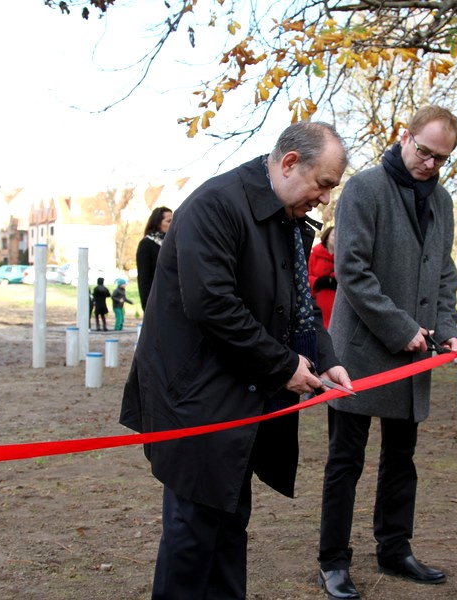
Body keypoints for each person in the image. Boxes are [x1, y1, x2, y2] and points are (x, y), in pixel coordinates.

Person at [119, 121, 351, 600]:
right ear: (290, 163)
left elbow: (296, 299)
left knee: (227, 528)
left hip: (237, 400)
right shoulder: (217, 205)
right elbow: (213, 305)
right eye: (323, 184)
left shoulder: (284, 217)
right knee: (191, 538)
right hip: (195, 400)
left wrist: (321, 357)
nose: (325, 199)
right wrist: (284, 366)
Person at [317, 106, 457, 600]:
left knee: (403, 460)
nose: (431, 164)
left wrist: (446, 331)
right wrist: (402, 330)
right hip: (360, 353)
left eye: (442, 158)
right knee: (345, 462)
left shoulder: (441, 201)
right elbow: (353, 271)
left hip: (416, 354)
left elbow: (444, 273)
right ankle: (333, 561)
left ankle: (395, 549)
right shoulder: (364, 187)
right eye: (425, 152)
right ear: (405, 137)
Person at [136, 205, 173, 311]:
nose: (173, 224)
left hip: (175, 300)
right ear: (158, 223)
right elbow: (144, 278)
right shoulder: (146, 244)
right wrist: (147, 307)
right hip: (157, 301)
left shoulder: (173, 244)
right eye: (169, 221)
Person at [308, 225, 337, 328]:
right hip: (317, 303)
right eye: (334, 235)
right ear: (327, 236)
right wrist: (320, 281)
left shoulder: (343, 257)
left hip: (336, 305)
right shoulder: (314, 255)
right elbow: (306, 276)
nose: (337, 237)